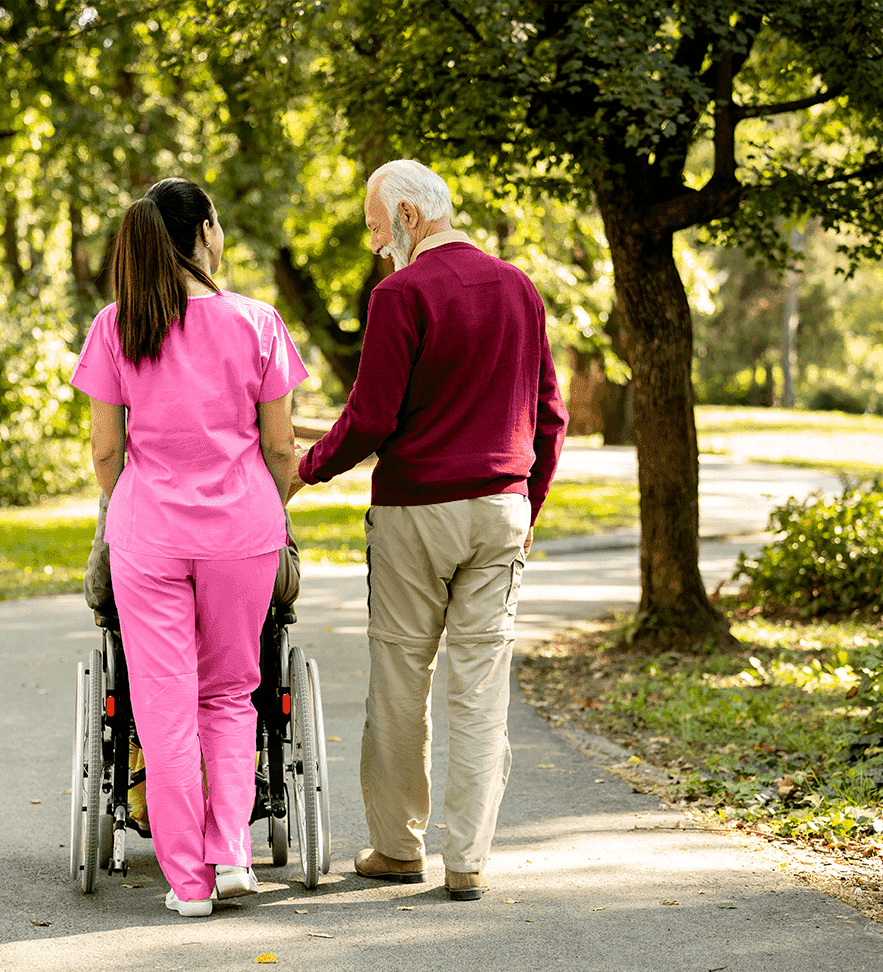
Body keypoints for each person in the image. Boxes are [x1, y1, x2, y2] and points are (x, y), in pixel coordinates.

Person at [287, 159, 567, 902]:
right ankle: (467, 860)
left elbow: (372, 417)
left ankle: (396, 848)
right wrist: (525, 507)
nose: (377, 245)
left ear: (410, 217)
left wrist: (306, 470)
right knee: (480, 689)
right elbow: (550, 414)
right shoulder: (519, 287)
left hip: (416, 514)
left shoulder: (402, 294)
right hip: (499, 512)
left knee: (400, 682)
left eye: (378, 230)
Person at [70, 177, 307, 918]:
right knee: (232, 694)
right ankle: (230, 853)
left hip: (149, 534)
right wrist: (273, 507)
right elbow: (279, 446)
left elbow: (105, 453)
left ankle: (187, 883)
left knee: (163, 705)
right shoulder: (257, 322)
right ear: (206, 229)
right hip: (241, 531)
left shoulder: (117, 326)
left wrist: (126, 508)